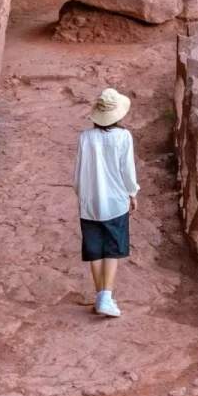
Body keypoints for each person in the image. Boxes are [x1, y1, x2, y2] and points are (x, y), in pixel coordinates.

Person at [73, 87, 139, 317]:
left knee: (95, 249)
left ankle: (100, 295)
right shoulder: (124, 137)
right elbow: (127, 171)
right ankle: (107, 297)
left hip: (90, 201)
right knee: (112, 248)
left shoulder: (85, 138)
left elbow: (79, 172)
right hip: (115, 200)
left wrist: (81, 196)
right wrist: (132, 192)